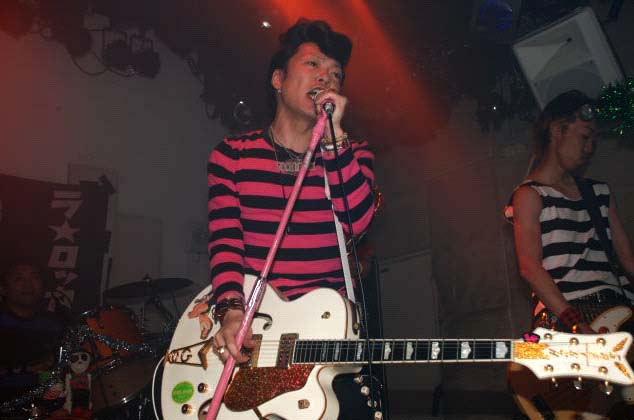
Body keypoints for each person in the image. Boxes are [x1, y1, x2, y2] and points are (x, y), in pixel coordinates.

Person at [206, 18, 377, 418]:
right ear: (278, 79)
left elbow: (357, 223)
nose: (327, 77)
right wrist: (231, 311)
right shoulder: (232, 155)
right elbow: (226, 242)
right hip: (261, 335)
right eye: (313, 64)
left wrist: (334, 140)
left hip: (328, 335)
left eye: (336, 73)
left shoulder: (352, 152)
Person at [506, 90, 634, 418]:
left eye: (594, 140)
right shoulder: (528, 195)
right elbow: (530, 267)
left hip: (619, 313)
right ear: (557, 130)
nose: (590, 148)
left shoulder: (599, 192)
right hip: (564, 318)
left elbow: (628, 261)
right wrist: (576, 323)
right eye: (584, 137)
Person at [0, 260, 69, 413]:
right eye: (19, 278)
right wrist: (27, 368)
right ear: (3, 289)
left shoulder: (55, 324)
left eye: (35, 277)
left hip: (47, 406)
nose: (28, 284)